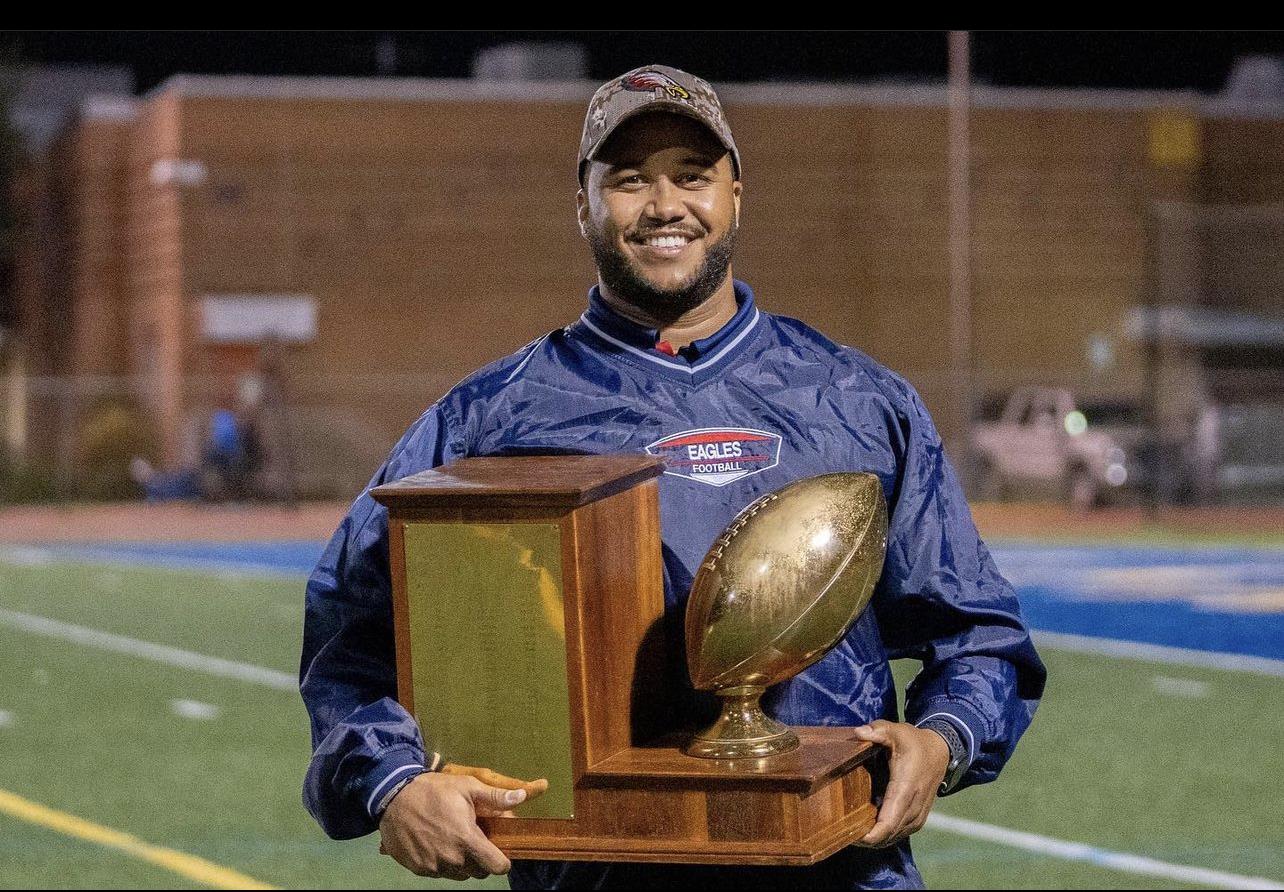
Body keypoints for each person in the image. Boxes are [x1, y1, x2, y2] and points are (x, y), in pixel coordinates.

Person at [300, 64, 1047, 889]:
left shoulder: (860, 401)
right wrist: (395, 783)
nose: (664, 206)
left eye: (692, 176)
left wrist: (943, 737)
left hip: (840, 872)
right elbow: (349, 636)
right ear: (582, 203)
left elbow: (976, 633)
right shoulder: (486, 419)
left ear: (736, 196)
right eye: (629, 180)